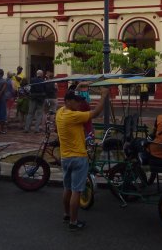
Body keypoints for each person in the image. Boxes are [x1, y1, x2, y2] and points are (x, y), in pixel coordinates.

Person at [56, 87, 108, 231]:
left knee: (67, 188)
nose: (79, 104)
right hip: (78, 158)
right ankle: (73, 221)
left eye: (80, 101)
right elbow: (96, 113)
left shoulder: (60, 112)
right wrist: (103, 96)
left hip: (65, 157)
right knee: (76, 191)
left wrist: (80, 86)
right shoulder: (74, 116)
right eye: (76, 101)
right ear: (67, 101)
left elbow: (72, 97)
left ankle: (66, 214)